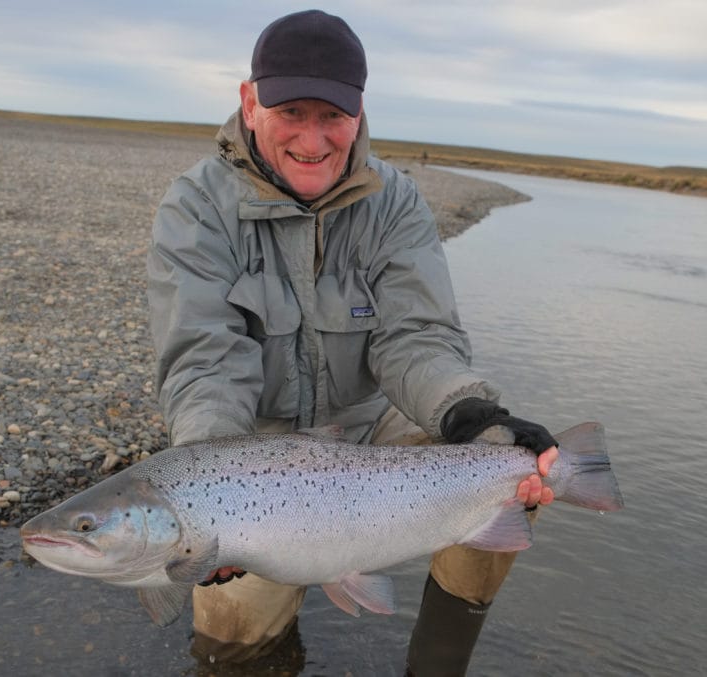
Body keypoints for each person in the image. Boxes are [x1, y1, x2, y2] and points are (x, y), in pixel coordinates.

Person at [146, 9, 558, 676]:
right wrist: (207, 495)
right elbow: (205, 362)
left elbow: (414, 337)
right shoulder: (195, 210)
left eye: (332, 116)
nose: (313, 138)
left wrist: (468, 410)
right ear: (250, 103)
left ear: (360, 111)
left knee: (498, 470)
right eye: (291, 112)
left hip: (376, 425)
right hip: (255, 455)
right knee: (230, 638)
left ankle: (437, 664)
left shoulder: (396, 202)